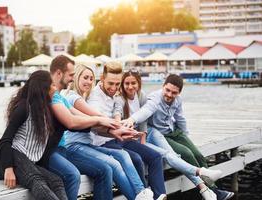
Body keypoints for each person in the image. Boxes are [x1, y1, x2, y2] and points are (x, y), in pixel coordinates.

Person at [122, 74, 234, 200]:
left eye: (174, 92)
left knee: (197, 154)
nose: (169, 94)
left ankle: (213, 189)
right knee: (185, 153)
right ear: (163, 86)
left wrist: (186, 137)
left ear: (179, 92)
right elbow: (146, 111)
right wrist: (131, 120)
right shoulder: (153, 98)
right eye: (167, 90)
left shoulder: (170, 99)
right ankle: (209, 189)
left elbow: (180, 118)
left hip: (172, 131)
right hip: (158, 133)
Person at [60, 64, 154, 200]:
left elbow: (94, 125)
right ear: (76, 77)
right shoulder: (74, 98)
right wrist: (121, 127)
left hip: (85, 145)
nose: (89, 81)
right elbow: (98, 118)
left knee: (120, 157)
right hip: (73, 147)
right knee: (112, 165)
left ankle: (141, 194)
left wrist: (118, 132)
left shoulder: (83, 98)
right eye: (85, 77)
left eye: (91, 78)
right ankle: (140, 196)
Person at [86, 62, 167, 200]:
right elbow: (96, 125)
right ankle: (142, 195)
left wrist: (131, 131)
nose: (114, 88)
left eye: (117, 84)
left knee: (155, 156)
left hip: (118, 137)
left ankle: (157, 195)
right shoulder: (94, 98)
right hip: (102, 141)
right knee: (135, 158)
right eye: (110, 83)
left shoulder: (116, 92)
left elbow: (120, 110)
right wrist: (120, 129)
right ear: (102, 78)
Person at [0, 70, 67, 200]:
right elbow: (5, 140)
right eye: (53, 85)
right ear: (44, 88)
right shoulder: (24, 107)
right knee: (36, 180)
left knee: (56, 181)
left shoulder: (45, 110)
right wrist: (8, 168)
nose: (55, 88)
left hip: (26, 161)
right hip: (6, 158)